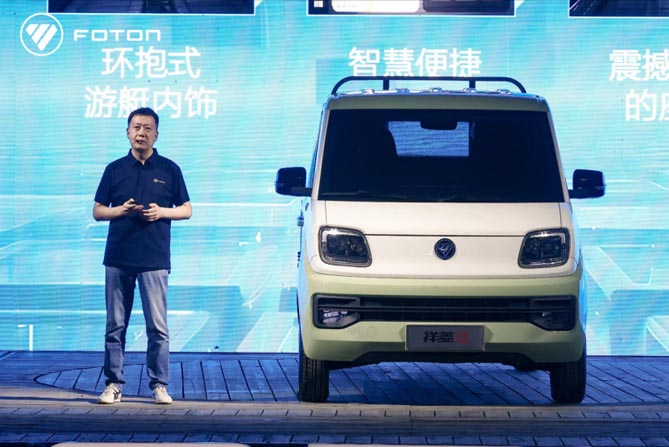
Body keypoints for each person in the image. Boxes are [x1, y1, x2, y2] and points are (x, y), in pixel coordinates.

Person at [93, 107, 192, 404]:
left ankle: (159, 385)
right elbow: (98, 211)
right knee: (115, 327)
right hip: (118, 258)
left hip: (154, 259)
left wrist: (162, 212)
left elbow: (187, 209)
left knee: (157, 328)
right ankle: (113, 384)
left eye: (148, 128)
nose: (141, 133)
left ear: (156, 135)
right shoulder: (114, 169)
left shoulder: (169, 169)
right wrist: (121, 211)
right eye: (136, 127)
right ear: (127, 132)